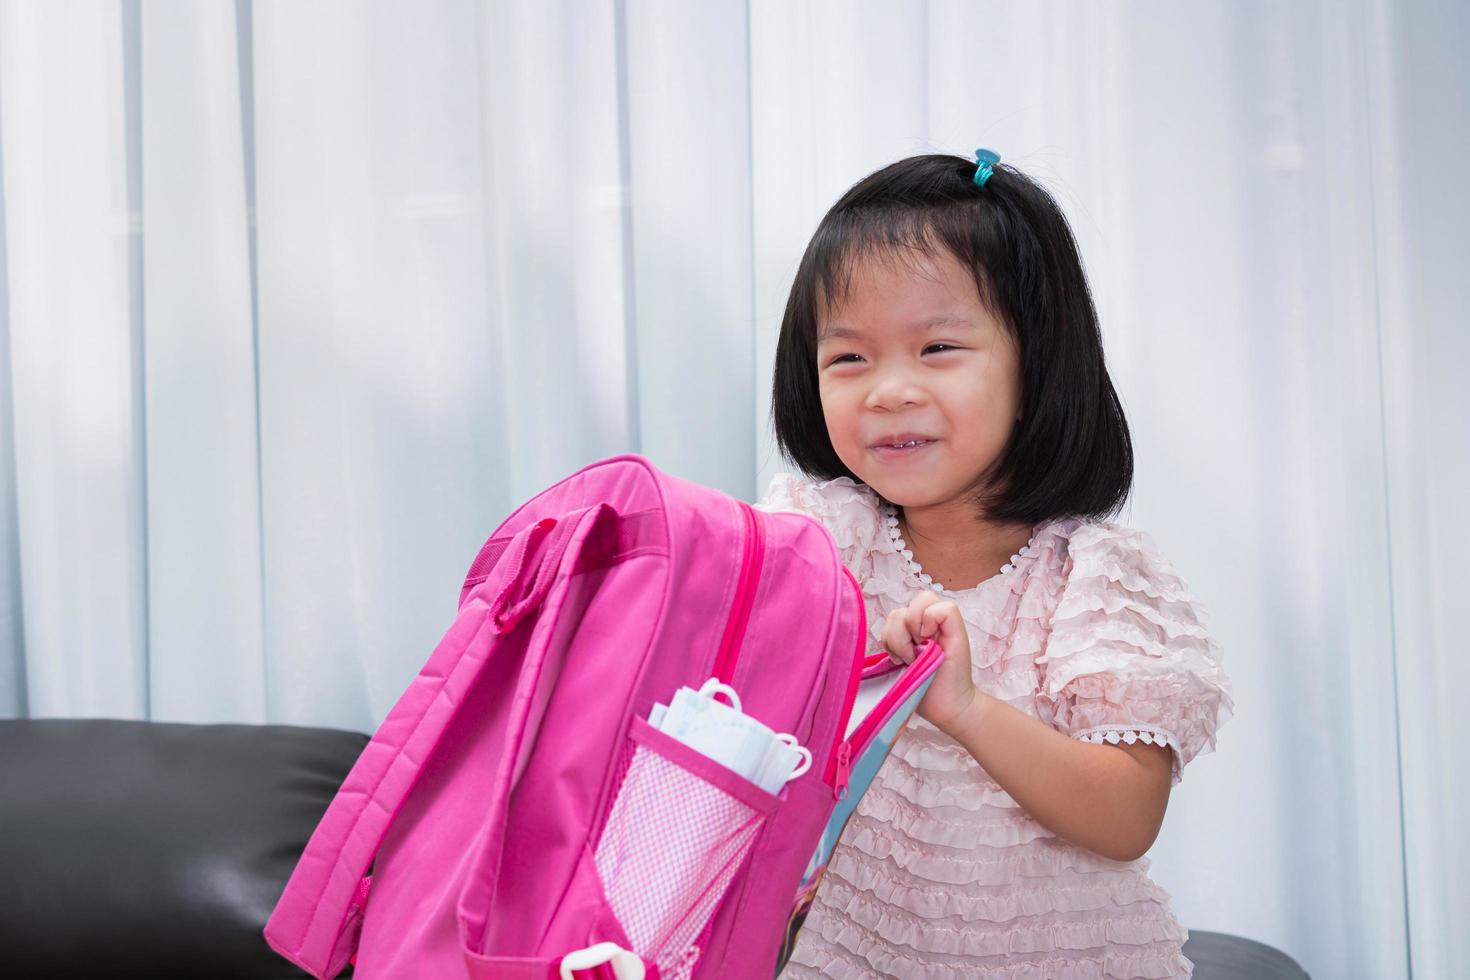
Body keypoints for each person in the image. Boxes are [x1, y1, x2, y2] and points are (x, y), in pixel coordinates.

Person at [755, 149, 1234, 979]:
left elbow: (1127, 816)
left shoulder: (1095, 577)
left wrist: (969, 708)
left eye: (937, 346)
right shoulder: (825, 539)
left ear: (1037, 364)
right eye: (849, 358)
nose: (888, 390)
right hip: (854, 958)